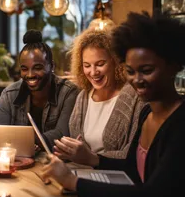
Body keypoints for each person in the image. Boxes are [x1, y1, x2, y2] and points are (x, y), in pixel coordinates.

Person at [42, 12, 185, 197]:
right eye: (130, 71)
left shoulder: (180, 123)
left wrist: (73, 183)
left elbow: (152, 196)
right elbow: (129, 167)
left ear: (174, 66)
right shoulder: (147, 115)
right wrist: (91, 160)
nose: (136, 80)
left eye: (147, 70)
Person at [54, 27, 145, 165]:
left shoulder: (134, 97)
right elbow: (77, 144)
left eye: (100, 64)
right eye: (87, 65)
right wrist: (68, 153)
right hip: (80, 171)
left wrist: (90, 157)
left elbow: (132, 155)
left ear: (116, 62)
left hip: (114, 176)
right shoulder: (83, 96)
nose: (93, 72)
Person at [0, 30, 79, 150]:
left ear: (52, 66)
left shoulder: (69, 92)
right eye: (24, 69)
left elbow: (63, 134)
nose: (30, 74)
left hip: (57, 162)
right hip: (19, 161)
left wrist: (23, 141)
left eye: (37, 67)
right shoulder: (9, 94)